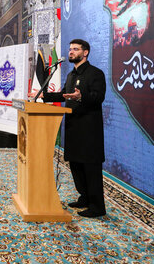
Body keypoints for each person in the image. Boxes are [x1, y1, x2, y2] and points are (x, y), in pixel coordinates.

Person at [42, 39, 106, 218]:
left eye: (75, 49)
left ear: (85, 53)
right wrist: (42, 95)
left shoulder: (96, 74)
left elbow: (98, 97)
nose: (71, 52)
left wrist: (81, 96)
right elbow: (64, 94)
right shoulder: (71, 75)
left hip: (89, 129)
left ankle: (97, 206)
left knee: (90, 168)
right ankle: (84, 197)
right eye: (70, 49)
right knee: (76, 165)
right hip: (73, 127)